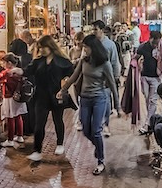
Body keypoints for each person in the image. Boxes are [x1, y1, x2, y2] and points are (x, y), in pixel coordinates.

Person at [58, 35, 120, 175]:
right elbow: (74, 76)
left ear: (94, 48)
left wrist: (118, 106)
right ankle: (99, 148)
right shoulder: (84, 61)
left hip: (99, 99)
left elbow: (112, 85)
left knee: (96, 130)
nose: (83, 49)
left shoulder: (105, 64)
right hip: (85, 99)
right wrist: (63, 90)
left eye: (86, 47)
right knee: (86, 130)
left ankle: (100, 160)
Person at [24, 35, 75, 162]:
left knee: (58, 120)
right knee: (39, 123)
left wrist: (64, 86)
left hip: (56, 95)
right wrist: (16, 71)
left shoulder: (61, 61)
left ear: (50, 46)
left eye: (43, 48)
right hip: (41, 96)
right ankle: (37, 150)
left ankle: (60, 144)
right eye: (40, 48)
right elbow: (27, 71)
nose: (41, 50)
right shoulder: (38, 61)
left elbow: (71, 73)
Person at [91, 20, 121, 137]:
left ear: (102, 30)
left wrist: (115, 76)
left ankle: (106, 125)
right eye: (92, 30)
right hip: (93, 78)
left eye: (95, 29)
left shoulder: (110, 45)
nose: (94, 32)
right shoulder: (91, 43)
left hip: (106, 78)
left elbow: (114, 61)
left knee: (107, 102)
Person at [0, 53, 27, 148]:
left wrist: (3, 72)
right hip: (18, 97)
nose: (3, 65)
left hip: (10, 97)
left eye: (4, 63)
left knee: (10, 117)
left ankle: (10, 140)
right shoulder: (19, 71)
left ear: (9, 63)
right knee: (18, 116)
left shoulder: (9, 72)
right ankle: (19, 136)